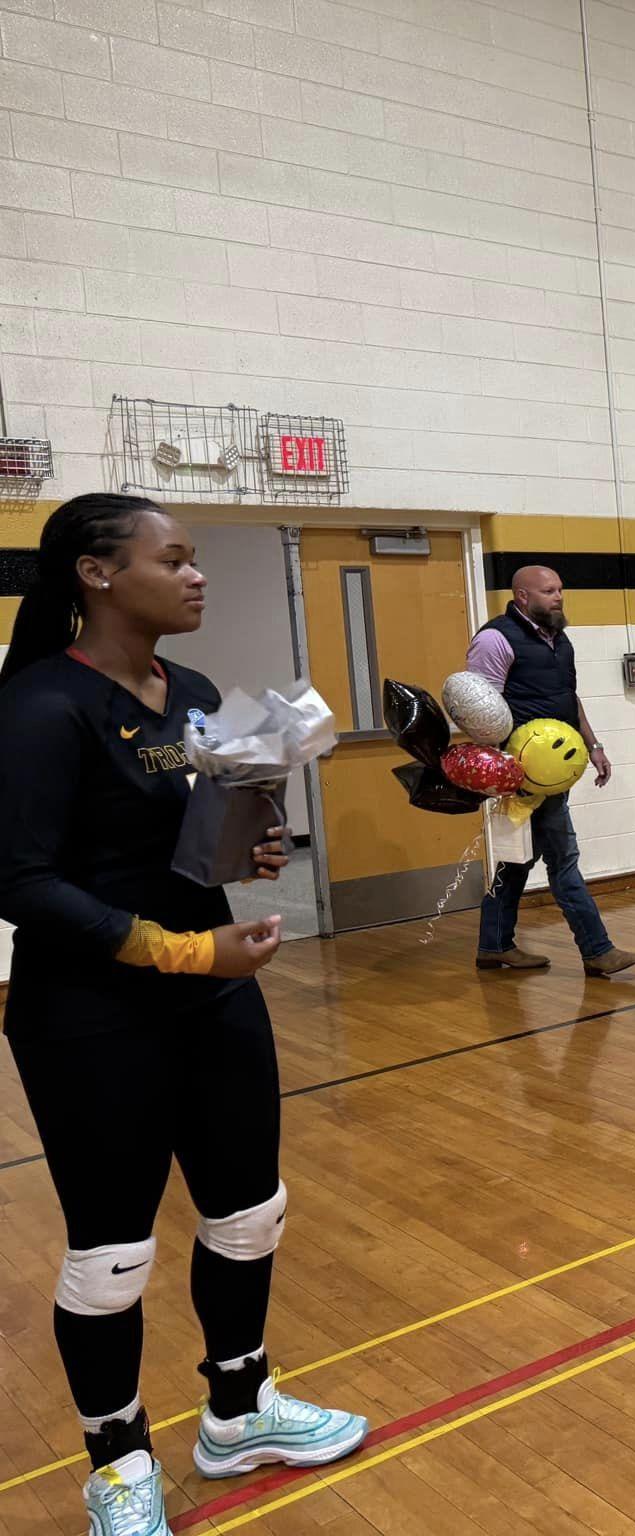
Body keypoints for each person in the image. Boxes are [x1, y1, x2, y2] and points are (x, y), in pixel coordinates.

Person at [0, 494, 367, 1536]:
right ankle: (118, 1468)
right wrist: (181, 950)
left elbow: (193, 837)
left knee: (250, 1214)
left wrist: (246, 851)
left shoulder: (194, 689)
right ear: (98, 574)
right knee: (113, 1257)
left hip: (212, 999)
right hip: (89, 1014)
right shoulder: (38, 707)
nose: (198, 575)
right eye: (177, 558)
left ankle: (239, 1412)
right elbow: (18, 881)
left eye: (197, 558)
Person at [467, 564, 635, 978]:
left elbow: (569, 697)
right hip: (522, 777)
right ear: (522, 596)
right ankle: (597, 950)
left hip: (557, 771)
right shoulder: (495, 638)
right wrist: (499, 770)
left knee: (517, 863)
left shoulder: (559, 639)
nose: (559, 597)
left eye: (560, 589)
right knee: (564, 860)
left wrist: (593, 745)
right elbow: (480, 708)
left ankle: (493, 946)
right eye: (549, 591)